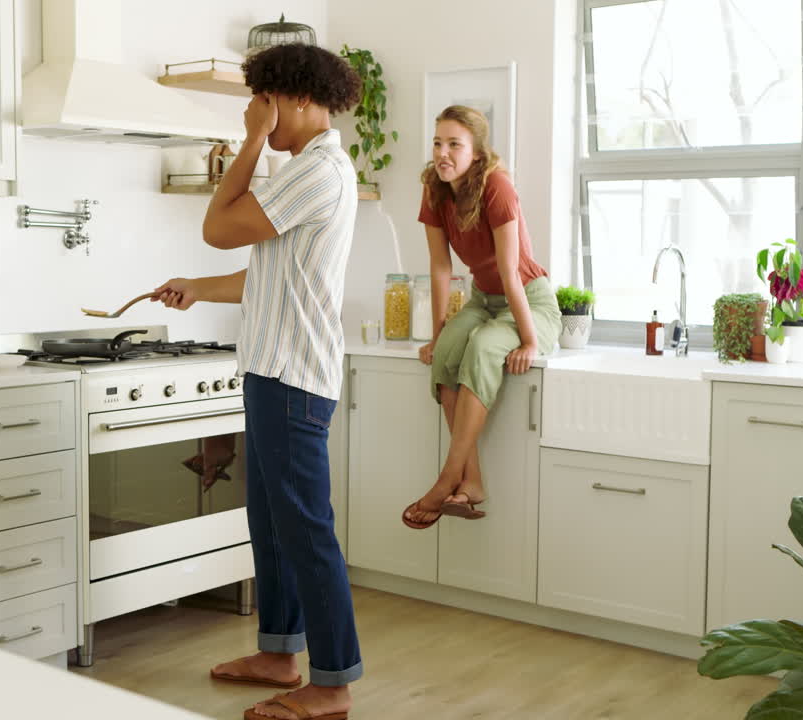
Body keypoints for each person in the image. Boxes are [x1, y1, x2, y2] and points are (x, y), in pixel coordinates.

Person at [152, 43, 363, 720]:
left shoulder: (315, 172)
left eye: (261, 99)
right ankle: (279, 652)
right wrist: (197, 289)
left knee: (306, 530)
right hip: (276, 371)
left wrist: (248, 141)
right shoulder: (306, 171)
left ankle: (331, 683)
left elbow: (217, 227)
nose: (255, 110)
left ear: (290, 99)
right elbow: (267, 275)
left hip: (294, 378)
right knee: (271, 524)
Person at [402, 105, 562, 530]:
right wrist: (438, 335)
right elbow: (440, 267)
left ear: (476, 151)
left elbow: (511, 273)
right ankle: (471, 480)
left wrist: (529, 341)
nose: (443, 153)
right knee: (448, 354)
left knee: (484, 346)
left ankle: (445, 479)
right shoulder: (434, 188)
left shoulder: (497, 187)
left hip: (529, 301)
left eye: (455, 144)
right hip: (483, 300)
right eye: (438, 143)